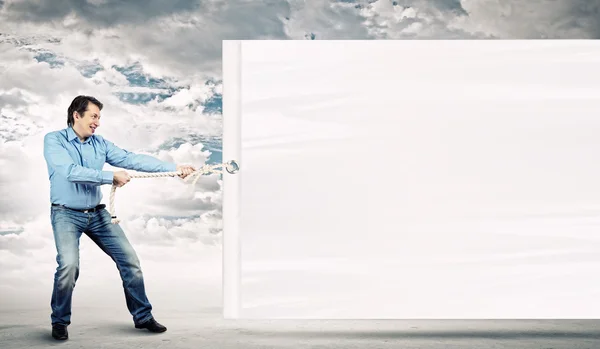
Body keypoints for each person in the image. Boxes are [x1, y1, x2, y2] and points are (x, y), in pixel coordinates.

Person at [43, 95, 196, 340]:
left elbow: (132, 159)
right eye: (94, 116)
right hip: (65, 214)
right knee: (69, 266)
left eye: (99, 117)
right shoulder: (54, 141)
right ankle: (59, 322)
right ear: (76, 115)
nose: (97, 122)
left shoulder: (100, 143)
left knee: (131, 263)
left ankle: (143, 317)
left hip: (98, 214)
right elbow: (69, 172)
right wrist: (109, 176)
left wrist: (173, 169)